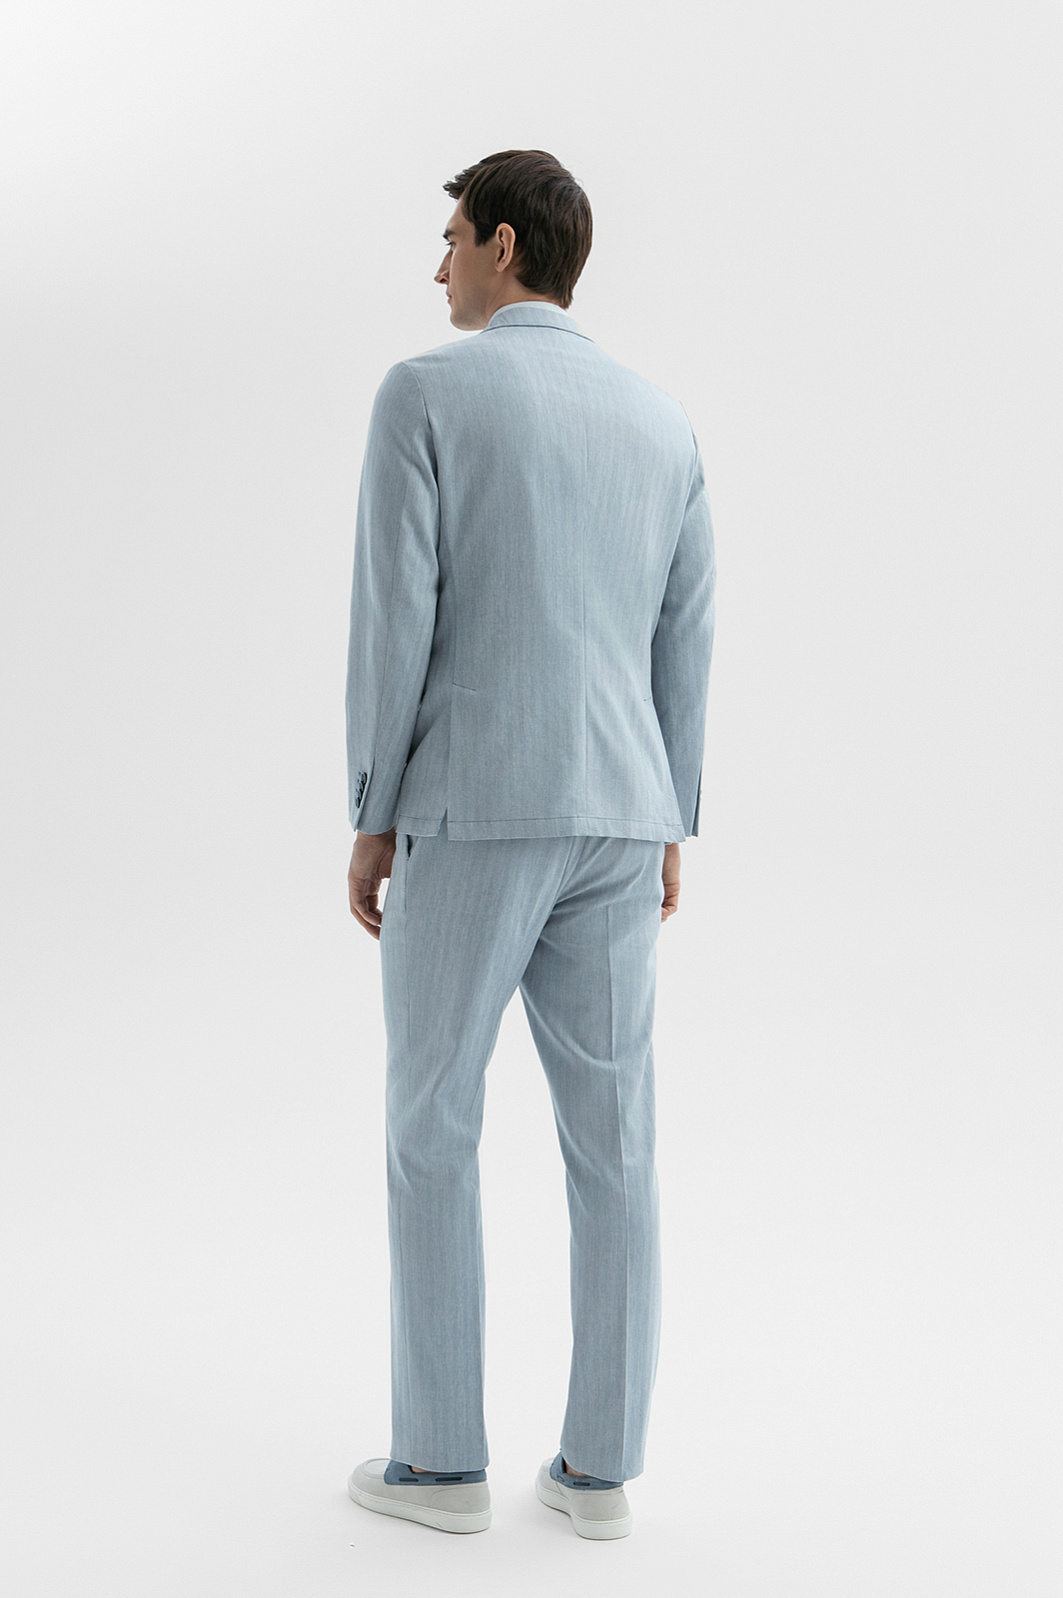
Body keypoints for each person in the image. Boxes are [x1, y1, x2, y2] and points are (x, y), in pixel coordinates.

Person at [344, 149, 715, 1540]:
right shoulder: (663, 422)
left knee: (431, 1124)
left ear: (504, 244)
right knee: (616, 1142)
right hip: (621, 813)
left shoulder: (425, 394)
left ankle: (442, 1463)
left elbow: (396, 617)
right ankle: (599, 1472)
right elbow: (687, 634)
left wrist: (373, 811)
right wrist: (671, 813)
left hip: (476, 806)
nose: (438, 265)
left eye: (450, 238)